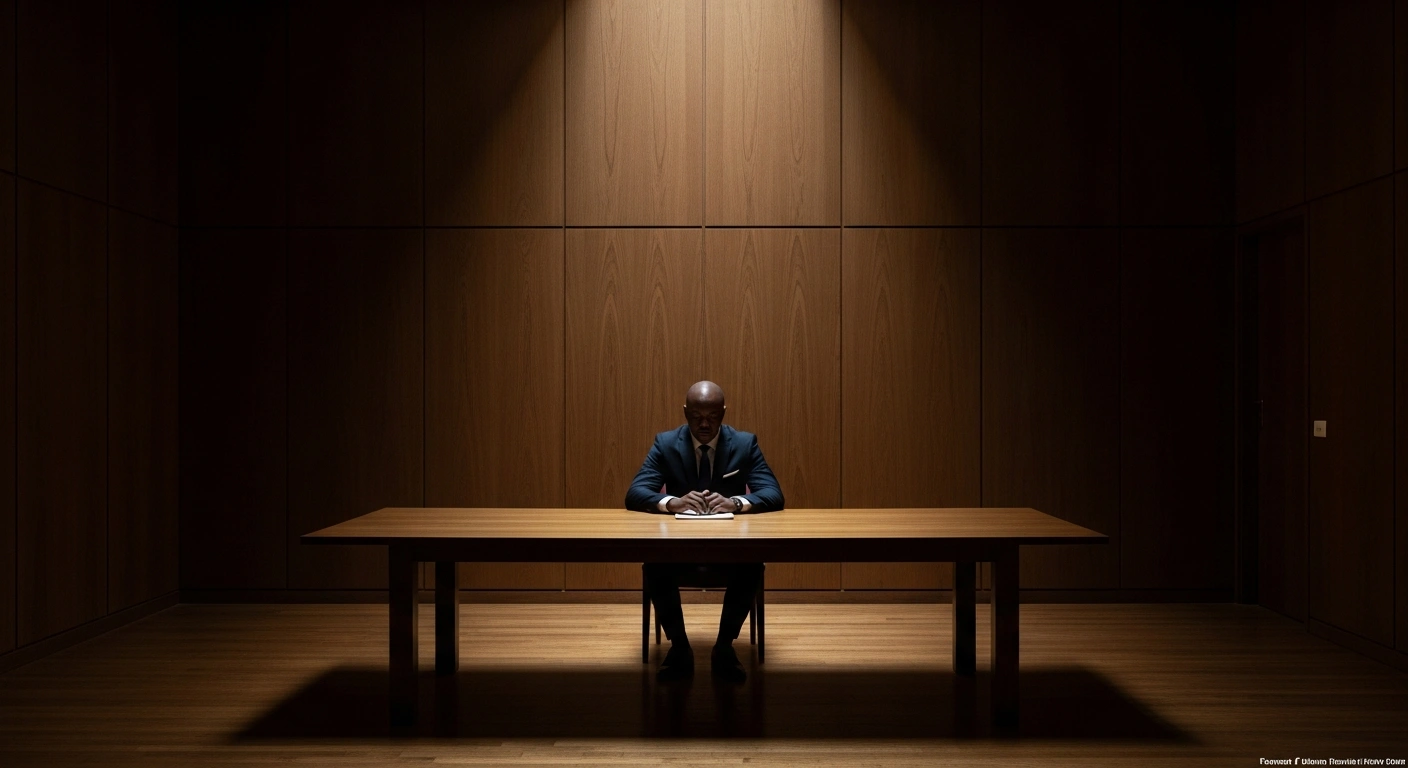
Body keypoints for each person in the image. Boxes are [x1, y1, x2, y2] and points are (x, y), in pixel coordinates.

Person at [625, 381, 784, 683]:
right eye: (696, 416)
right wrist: (672, 502)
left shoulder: (744, 443)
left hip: (730, 550)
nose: (705, 424)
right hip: (677, 550)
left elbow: (773, 494)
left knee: (752, 565)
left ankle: (724, 648)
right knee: (654, 565)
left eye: (712, 416)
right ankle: (680, 649)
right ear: (685, 413)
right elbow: (635, 492)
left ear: (724, 413)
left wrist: (736, 502)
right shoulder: (666, 443)